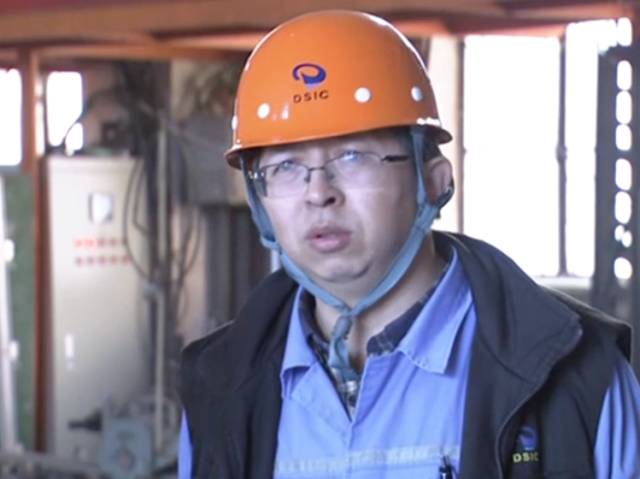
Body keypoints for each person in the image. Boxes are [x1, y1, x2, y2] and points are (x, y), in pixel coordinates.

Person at [179, 10, 640, 478]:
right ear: (258, 201)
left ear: (434, 182)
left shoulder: (575, 375)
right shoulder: (217, 388)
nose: (318, 192)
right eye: (285, 167)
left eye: (353, 156)